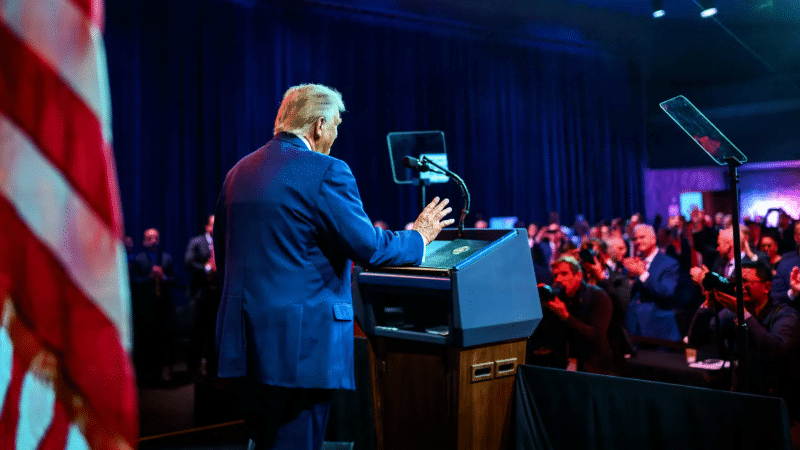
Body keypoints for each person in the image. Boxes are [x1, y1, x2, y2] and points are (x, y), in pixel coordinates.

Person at [213, 84, 453, 450]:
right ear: (319, 125)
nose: (337, 135)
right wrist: (419, 236)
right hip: (299, 349)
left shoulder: (238, 172)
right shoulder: (325, 171)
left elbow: (223, 256)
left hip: (244, 344)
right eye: (337, 124)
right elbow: (369, 248)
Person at [687, 260, 800, 405]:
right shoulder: (732, 311)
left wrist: (743, 314)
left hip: (774, 397)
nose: (739, 287)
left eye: (745, 282)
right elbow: (697, 340)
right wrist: (708, 304)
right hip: (738, 392)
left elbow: (775, 349)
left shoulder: (785, 314)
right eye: (736, 282)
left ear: (766, 287)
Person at [528, 256, 614, 374]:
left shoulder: (598, 296)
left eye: (564, 274)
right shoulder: (560, 297)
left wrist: (566, 316)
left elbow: (597, 336)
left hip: (595, 366)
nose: (559, 279)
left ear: (578, 276)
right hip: (565, 364)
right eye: (556, 275)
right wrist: (538, 302)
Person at [130, 228, 175, 384]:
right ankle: (147, 373)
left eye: (156, 237)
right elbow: (133, 282)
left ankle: (164, 371)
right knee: (147, 339)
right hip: (146, 306)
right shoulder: (138, 259)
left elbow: (175, 280)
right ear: (144, 241)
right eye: (150, 238)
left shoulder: (167, 258)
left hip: (164, 305)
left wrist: (164, 277)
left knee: (164, 339)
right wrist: (149, 277)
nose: (154, 240)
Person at [624, 224, 682, 341]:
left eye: (642, 237)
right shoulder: (636, 262)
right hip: (635, 328)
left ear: (654, 239)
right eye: (635, 239)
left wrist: (642, 274)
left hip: (659, 329)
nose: (638, 241)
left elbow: (666, 292)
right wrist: (630, 277)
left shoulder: (669, 263)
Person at [185, 214, 219, 378]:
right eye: (213, 224)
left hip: (216, 295)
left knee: (214, 334)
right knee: (197, 332)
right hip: (199, 295)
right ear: (207, 227)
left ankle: (212, 368)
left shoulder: (223, 244)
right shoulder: (197, 242)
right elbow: (188, 262)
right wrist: (206, 268)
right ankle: (193, 368)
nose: (216, 227)